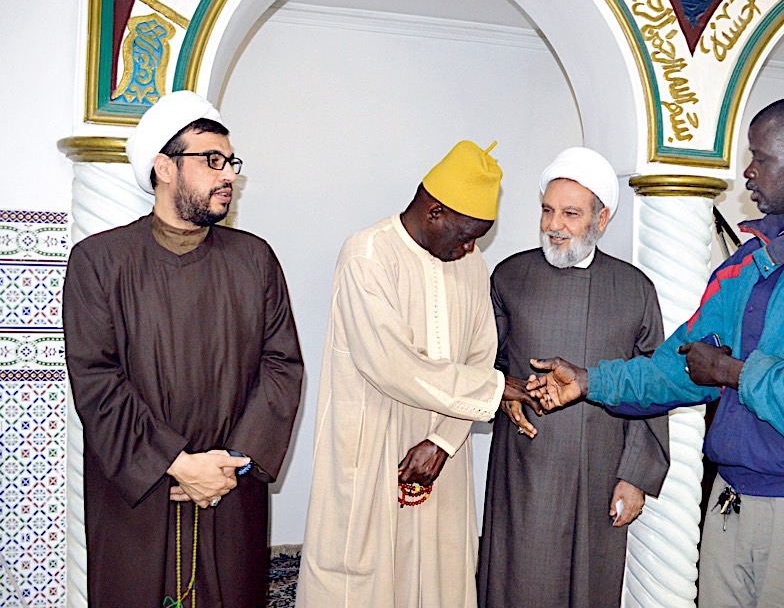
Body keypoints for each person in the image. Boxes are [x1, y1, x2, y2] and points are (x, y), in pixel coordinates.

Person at [531, 95, 784, 608]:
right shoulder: (745, 264)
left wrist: (733, 372)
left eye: (760, 157)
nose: (747, 173)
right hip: (730, 500)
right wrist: (589, 381)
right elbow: (678, 367)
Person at [63, 90, 304, 607]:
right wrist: (175, 462)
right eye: (212, 160)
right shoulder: (99, 262)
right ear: (164, 167)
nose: (228, 175)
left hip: (228, 488)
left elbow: (282, 365)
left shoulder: (254, 259)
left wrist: (232, 462)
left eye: (231, 162)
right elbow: (97, 381)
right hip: (139, 492)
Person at [297, 141, 539, 608]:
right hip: (373, 447)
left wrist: (443, 442)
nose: (470, 248)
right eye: (466, 236)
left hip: (442, 452)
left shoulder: (471, 266)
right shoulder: (367, 255)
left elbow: (480, 355)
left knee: (439, 579)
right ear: (435, 212)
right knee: (361, 582)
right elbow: (390, 364)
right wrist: (494, 389)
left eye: (479, 239)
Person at [477, 147, 669, 608]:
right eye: (547, 210)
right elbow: (485, 362)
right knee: (520, 584)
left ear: (601, 220)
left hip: (602, 467)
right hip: (526, 466)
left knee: (591, 587)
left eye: (570, 213)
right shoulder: (510, 276)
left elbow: (652, 385)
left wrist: (634, 477)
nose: (554, 225)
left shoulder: (634, 289)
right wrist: (505, 393)